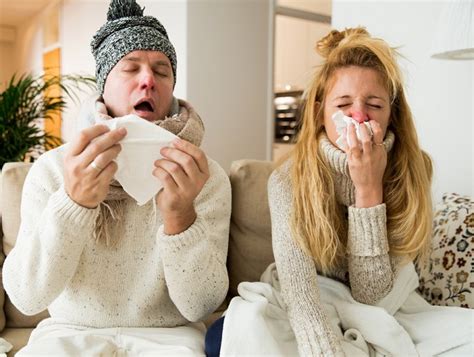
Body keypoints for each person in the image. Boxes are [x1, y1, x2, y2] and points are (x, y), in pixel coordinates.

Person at [207, 27, 472, 356]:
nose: (357, 115)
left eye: (374, 104)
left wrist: (368, 188)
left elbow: (371, 296)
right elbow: (301, 294)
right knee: (229, 336)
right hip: (310, 298)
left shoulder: (414, 170)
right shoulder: (287, 180)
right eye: (343, 103)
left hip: (387, 302)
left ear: (392, 115)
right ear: (320, 113)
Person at [3, 0, 231, 355]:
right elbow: (26, 296)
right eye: (130, 68)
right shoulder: (52, 169)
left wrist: (180, 218)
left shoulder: (203, 176)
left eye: (162, 70)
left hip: (170, 337)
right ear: (104, 85)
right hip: (68, 333)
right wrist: (72, 203)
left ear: (172, 88)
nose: (148, 80)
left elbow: (200, 306)